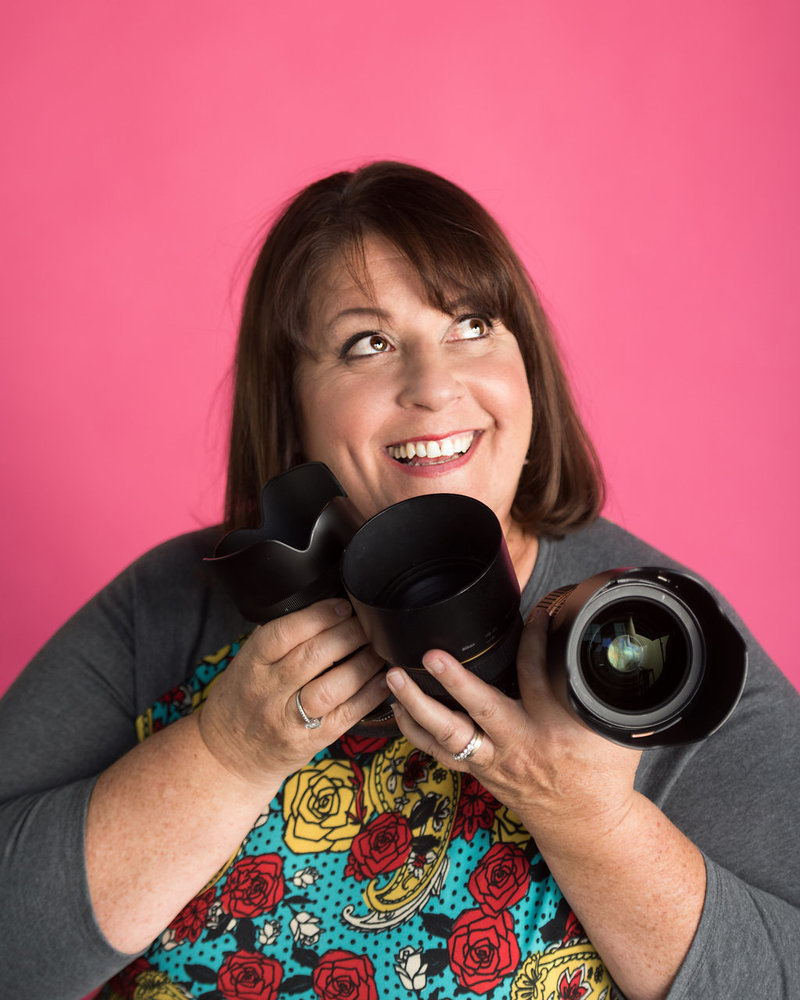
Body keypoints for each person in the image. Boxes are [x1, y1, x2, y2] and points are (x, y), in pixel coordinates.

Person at [1, 161, 798, 1000]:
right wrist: (225, 755)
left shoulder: (651, 636)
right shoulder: (169, 604)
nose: (434, 386)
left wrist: (590, 822)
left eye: (472, 324)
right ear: (291, 401)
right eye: (368, 344)